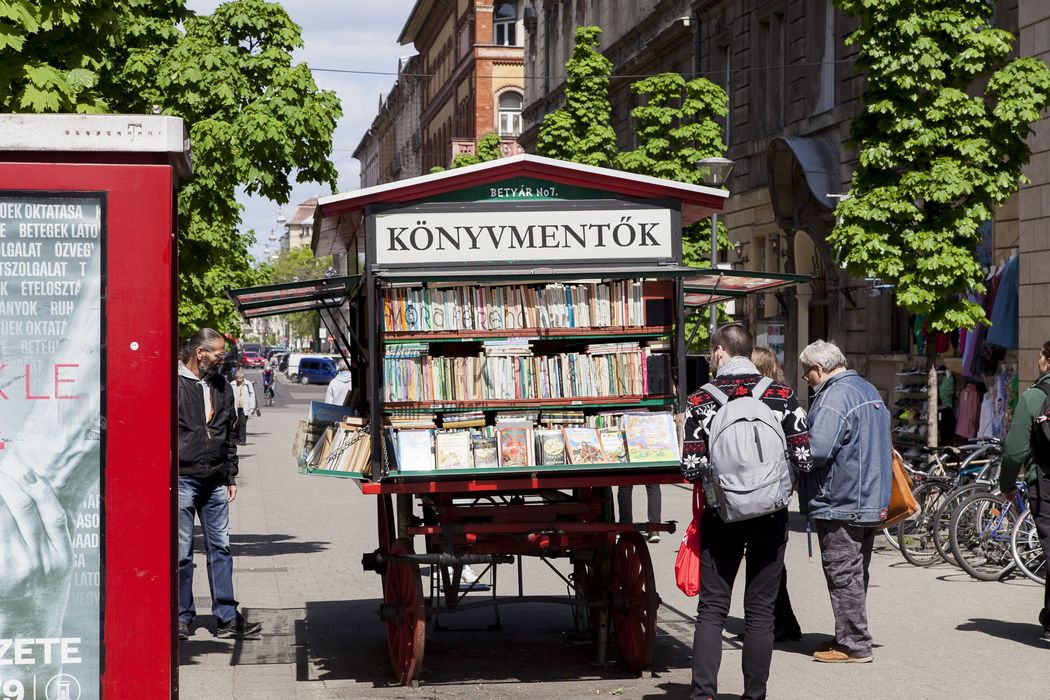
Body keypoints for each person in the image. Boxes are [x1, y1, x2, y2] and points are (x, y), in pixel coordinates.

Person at [682, 324, 812, 700]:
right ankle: (754, 696)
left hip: (722, 515)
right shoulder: (783, 396)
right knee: (760, 613)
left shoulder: (700, 401)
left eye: (711, 353)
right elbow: (804, 459)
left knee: (712, 611)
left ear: (720, 352)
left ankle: (703, 694)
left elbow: (691, 468)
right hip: (770, 517)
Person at [798, 339, 891, 663]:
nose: (806, 379)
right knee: (855, 571)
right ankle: (849, 633)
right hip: (869, 498)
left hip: (842, 499)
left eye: (806, 373)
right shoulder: (867, 390)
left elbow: (818, 449)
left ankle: (854, 643)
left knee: (843, 572)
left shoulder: (833, 397)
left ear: (819, 369)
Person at [178, 329, 261, 640]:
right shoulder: (174, 384)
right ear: (200, 353)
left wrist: (230, 475)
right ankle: (181, 617)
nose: (222, 358)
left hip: (215, 479)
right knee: (182, 553)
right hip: (183, 478)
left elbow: (229, 432)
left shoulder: (221, 385)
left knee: (221, 549)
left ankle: (226, 616)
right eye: (217, 353)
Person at [999, 340, 1050, 640]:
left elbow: (1015, 451)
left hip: (1045, 484)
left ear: (1047, 361)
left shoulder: (1033, 398)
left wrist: (1007, 485)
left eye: (1041, 356)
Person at [752, 345, 803, 643]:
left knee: (767, 561)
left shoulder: (761, 399)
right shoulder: (785, 396)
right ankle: (784, 620)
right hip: (778, 489)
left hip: (758, 487)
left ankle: (776, 622)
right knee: (772, 559)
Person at [232, 369, 259, 446]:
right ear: (236, 377)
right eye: (238, 378)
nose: (239, 380)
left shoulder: (248, 384)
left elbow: (252, 395)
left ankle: (242, 440)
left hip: (244, 407)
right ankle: (236, 439)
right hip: (235, 407)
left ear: (243, 377)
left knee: (243, 424)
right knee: (236, 424)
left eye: (241, 378)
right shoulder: (232, 384)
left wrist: (252, 407)